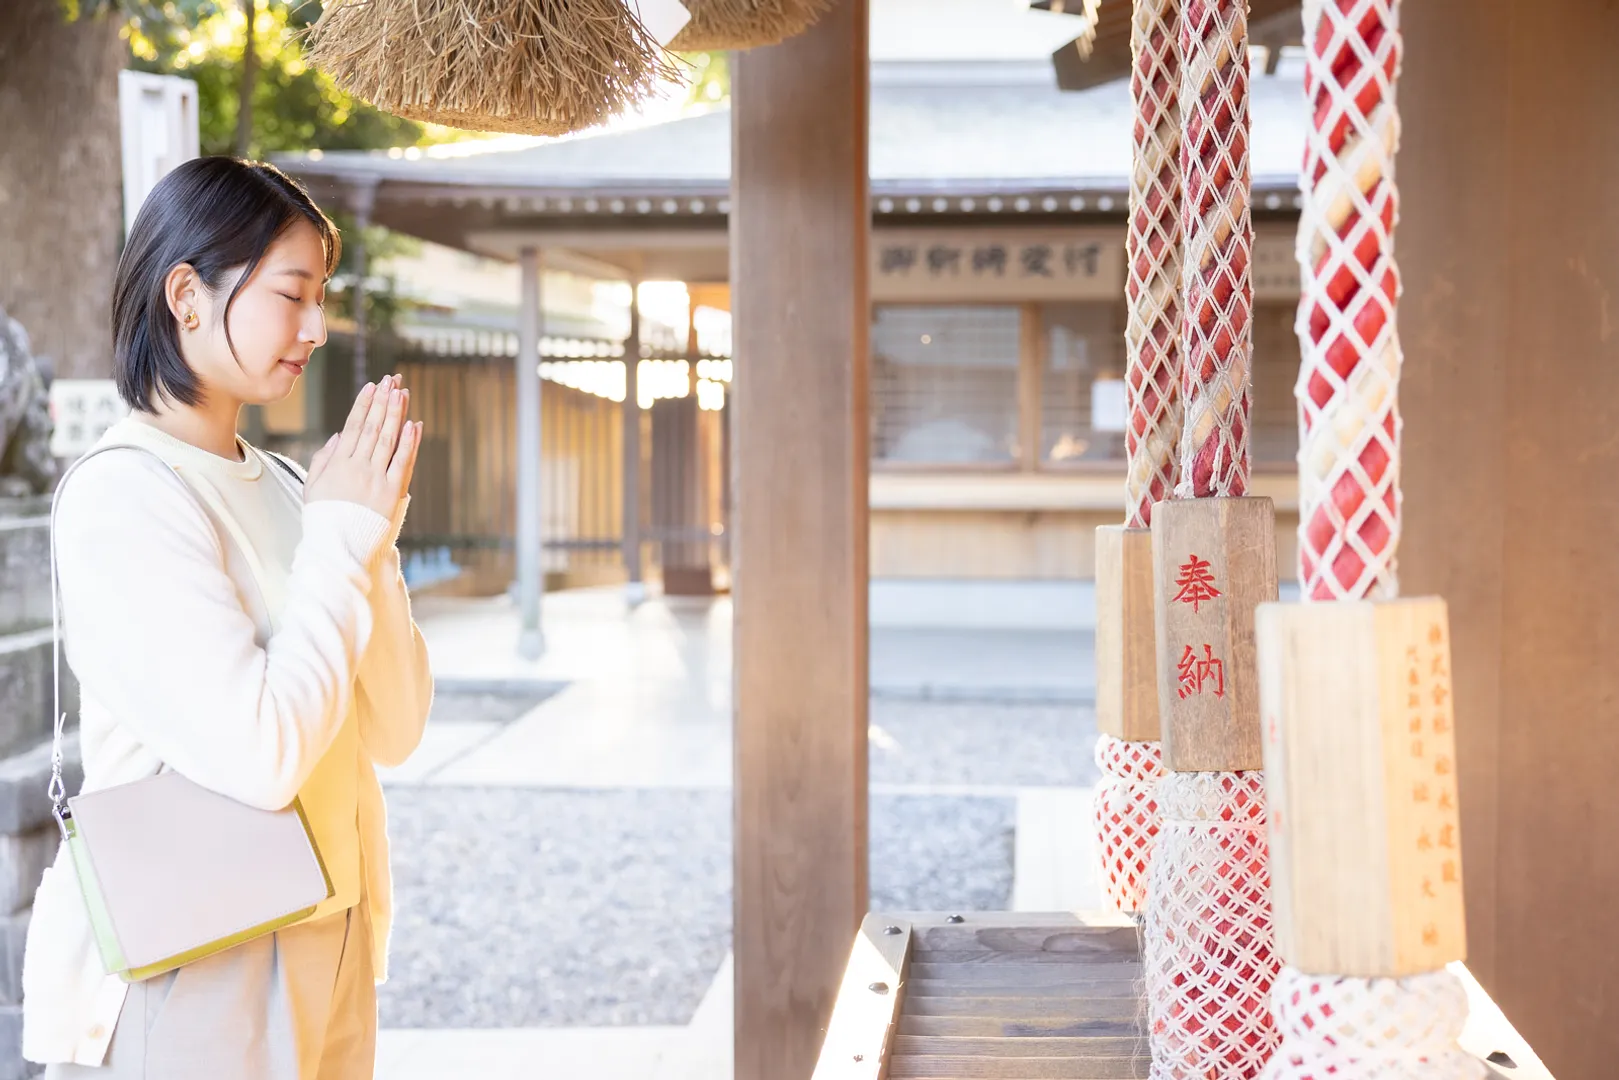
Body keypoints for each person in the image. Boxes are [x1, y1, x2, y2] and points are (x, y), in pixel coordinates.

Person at [21, 156, 433, 1078]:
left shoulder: (292, 485)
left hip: (331, 933)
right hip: (204, 959)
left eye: (321, 296)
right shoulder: (125, 493)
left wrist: (371, 544)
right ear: (187, 295)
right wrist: (338, 539)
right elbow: (262, 757)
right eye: (292, 293)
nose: (317, 327)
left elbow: (395, 730)